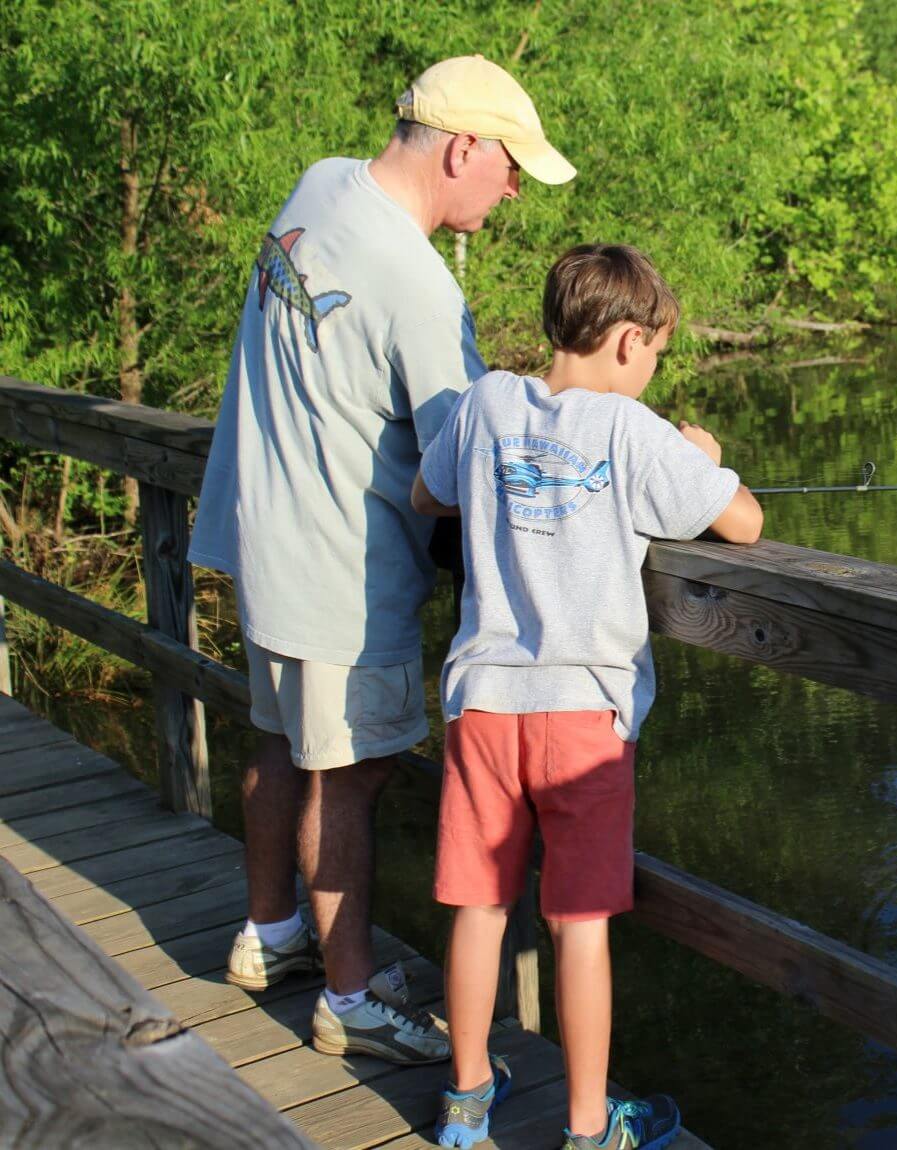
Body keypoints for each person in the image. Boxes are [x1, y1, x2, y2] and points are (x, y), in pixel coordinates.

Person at [188, 55, 576, 1063]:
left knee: (279, 746)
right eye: (511, 168)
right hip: (342, 578)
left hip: (261, 538)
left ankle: (273, 937)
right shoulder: (416, 285)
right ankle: (350, 998)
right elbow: (474, 457)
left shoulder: (319, 188)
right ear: (462, 149)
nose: (515, 190)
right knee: (351, 779)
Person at [411, 243, 762, 1149]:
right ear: (627, 340)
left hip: (484, 702)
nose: (650, 375)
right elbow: (745, 522)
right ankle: (586, 1126)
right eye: (653, 358)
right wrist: (705, 456)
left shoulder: (488, 402)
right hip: (585, 720)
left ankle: (464, 1105)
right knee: (578, 927)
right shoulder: (631, 431)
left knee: (480, 909)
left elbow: (425, 491)